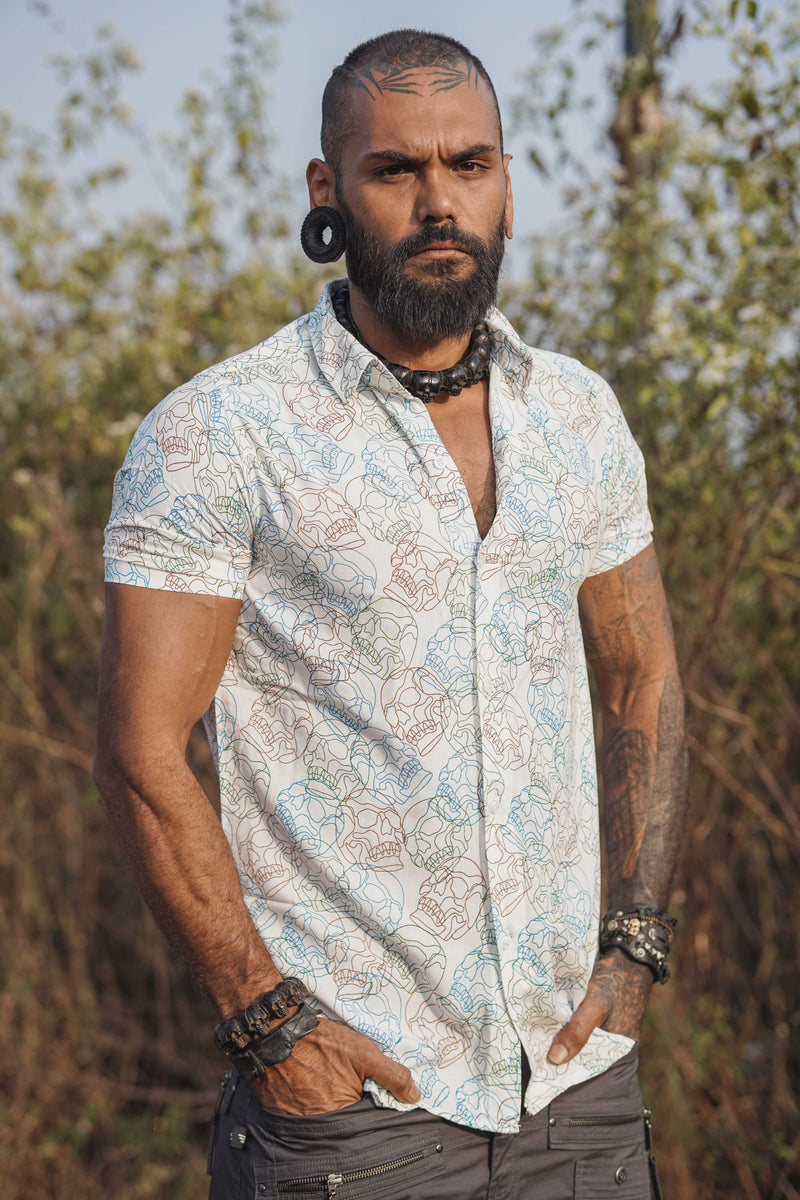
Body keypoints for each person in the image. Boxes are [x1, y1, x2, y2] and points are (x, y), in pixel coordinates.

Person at [94, 28, 687, 1200]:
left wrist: (633, 950)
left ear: (506, 184)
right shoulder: (220, 434)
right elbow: (140, 748)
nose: (437, 203)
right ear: (328, 189)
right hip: (355, 1110)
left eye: (467, 165)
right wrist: (268, 1028)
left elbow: (642, 680)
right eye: (394, 169)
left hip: (575, 1085)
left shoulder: (575, 415)